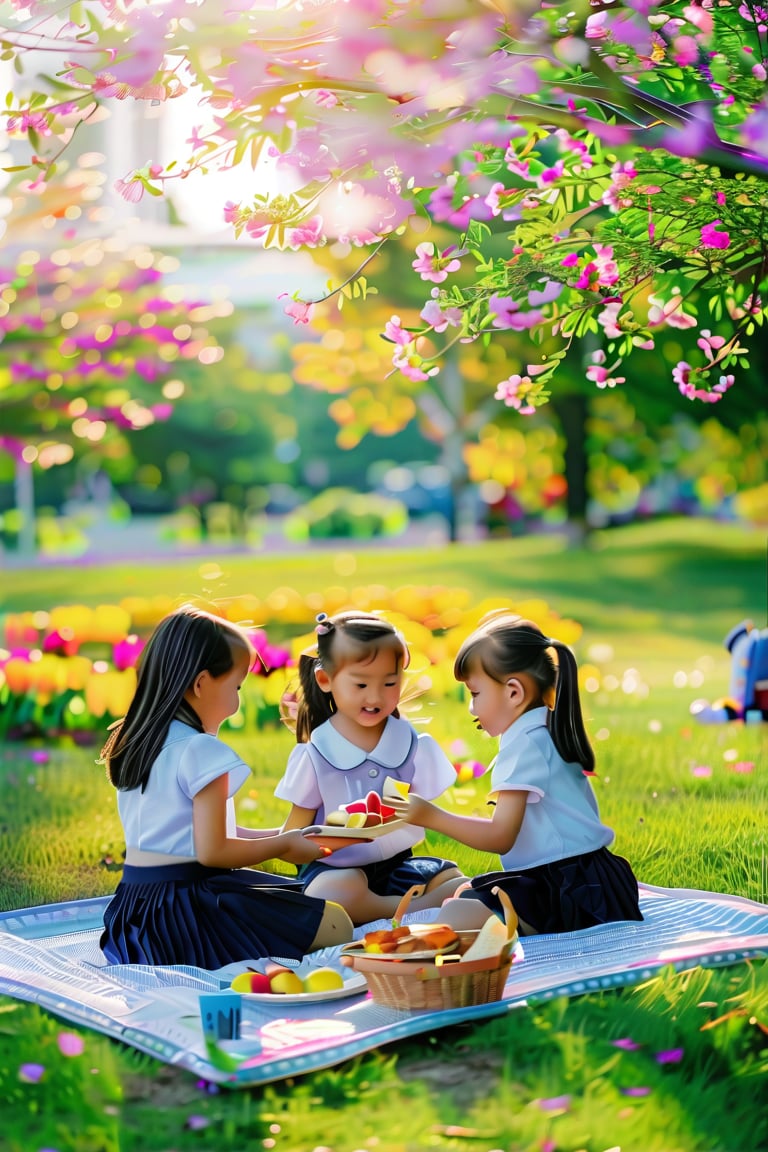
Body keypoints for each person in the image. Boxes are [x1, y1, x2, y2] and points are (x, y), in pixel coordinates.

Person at [99, 605, 353, 968]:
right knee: (336, 922)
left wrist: (292, 833)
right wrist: (282, 845)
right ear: (201, 684)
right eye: (235, 686)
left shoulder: (138, 740)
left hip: (137, 915)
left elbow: (201, 835)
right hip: (188, 912)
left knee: (296, 900)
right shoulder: (201, 749)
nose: (237, 700)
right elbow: (213, 852)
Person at [387, 612, 643, 935]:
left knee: (453, 919)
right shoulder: (545, 729)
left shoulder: (524, 747)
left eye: (475, 693)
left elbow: (500, 837)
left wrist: (431, 816)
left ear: (513, 693)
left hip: (570, 889)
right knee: (464, 896)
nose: (470, 707)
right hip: (594, 879)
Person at [275, 610, 465, 924]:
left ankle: (389, 906)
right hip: (336, 870)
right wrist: (331, 838)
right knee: (335, 894)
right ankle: (409, 909)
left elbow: (420, 811)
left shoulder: (409, 743)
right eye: (361, 685)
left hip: (397, 865)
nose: (375, 697)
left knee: (455, 880)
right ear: (326, 680)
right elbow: (291, 841)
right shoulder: (317, 753)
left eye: (389, 683)